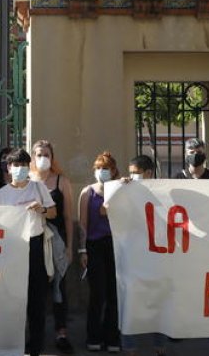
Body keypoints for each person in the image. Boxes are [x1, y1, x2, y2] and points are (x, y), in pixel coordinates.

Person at [0, 148, 55, 356]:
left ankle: (36, 346)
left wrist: (42, 209)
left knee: (37, 300)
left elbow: (54, 212)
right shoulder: (1, 194)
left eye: (23, 166)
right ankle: (14, 344)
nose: (19, 169)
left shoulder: (38, 188)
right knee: (13, 299)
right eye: (15, 166)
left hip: (35, 246)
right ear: (9, 168)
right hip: (12, 248)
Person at [119, 155, 169, 356]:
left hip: (156, 257)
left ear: (148, 173)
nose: (132, 176)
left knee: (159, 303)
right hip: (132, 256)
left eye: (136, 173)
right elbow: (108, 211)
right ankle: (130, 348)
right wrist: (120, 190)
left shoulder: (162, 192)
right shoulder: (127, 191)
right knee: (129, 303)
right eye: (130, 172)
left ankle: (160, 347)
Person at [31, 140, 75, 353]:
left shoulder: (61, 181)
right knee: (36, 290)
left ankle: (61, 333)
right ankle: (34, 333)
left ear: (52, 157)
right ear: (32, 157)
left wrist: (69, 247)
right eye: (39, 154)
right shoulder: (27, 181)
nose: (42, 158)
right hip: (34, 243)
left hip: (57, 242)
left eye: (46, 154)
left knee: (59, 288)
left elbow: (67, 216)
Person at [78, 151, 120, 353]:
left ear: (113, 171)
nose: (102, 172)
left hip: (115, 245)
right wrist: (82, 250)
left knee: (114, 294)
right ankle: (93, 336)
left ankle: (112, 337)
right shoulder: (88, 192)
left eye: (106, 168)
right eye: (98, 168)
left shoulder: (119, 190)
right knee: (98, 293)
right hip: (94, 246)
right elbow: (83, 224)